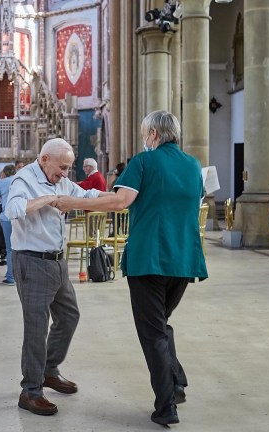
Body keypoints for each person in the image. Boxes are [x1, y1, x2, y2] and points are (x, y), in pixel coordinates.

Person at [54, 110, 208, 427]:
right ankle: (175, 378)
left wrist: (72, 203)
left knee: (152, 331)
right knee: (159, 324)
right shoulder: (193, 166)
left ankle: (166, 405)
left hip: (149, 258)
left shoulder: (144, 162)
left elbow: (120, 201)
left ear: (153, 134)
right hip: (183, 260)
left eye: (144, 134)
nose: (143, 139)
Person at [4, 138, 105, 417]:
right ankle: (31, 391)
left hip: (57, 263)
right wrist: (48, 199)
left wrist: (118, 199)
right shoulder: (23, 180)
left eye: (69, 168)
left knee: (69, 315)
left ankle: (48, 370)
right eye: (62, 167)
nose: (65, 174)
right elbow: (10, 211)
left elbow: (85, 196)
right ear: (45, 159)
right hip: (32, 262)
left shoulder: (61, 179)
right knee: (37, 327)